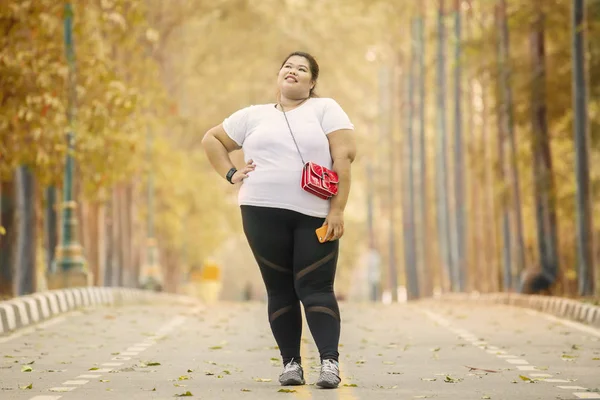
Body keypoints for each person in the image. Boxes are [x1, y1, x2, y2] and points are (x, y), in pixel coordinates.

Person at [201, 51, 356, 389]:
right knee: (280, 288)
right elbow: (211, 140)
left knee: (315, 287)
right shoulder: (252, 116)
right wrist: (231, 173)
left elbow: (343, 157)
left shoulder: (325, 109)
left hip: (315, 214)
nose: (293, 71)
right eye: (288, 66)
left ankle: (329, 363)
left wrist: (338, 209)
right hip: (259, 211)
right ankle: (291, 364)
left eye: (302, 69)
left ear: (312, 82)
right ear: (279, 76)